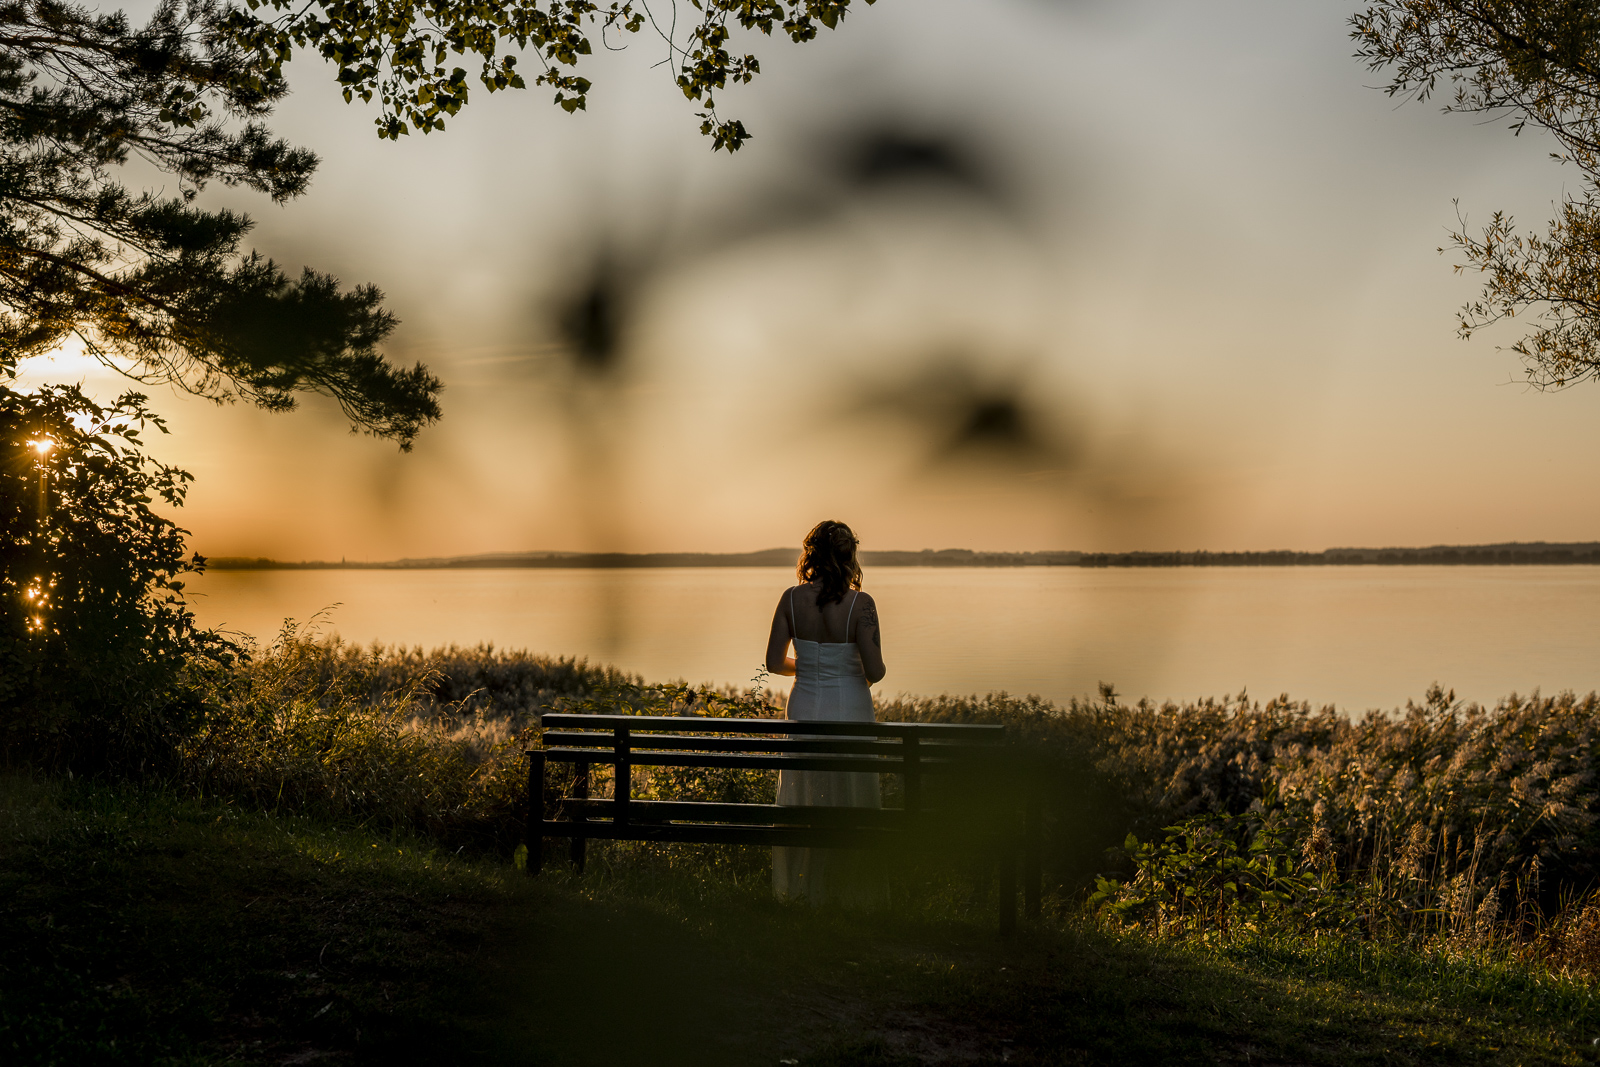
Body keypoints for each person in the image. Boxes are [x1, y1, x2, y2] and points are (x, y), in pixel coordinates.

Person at [764, 519, 887, 907]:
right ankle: (849, 894)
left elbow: (772, 662)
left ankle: (802, 891)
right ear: (850, 556)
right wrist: (841, 668)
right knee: (851, 796)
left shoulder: (790, 599)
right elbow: (876, 671)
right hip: (849, 709)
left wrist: (812, 666)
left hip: (803, 709)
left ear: (811, 554)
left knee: (806, 799)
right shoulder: (861, 604)